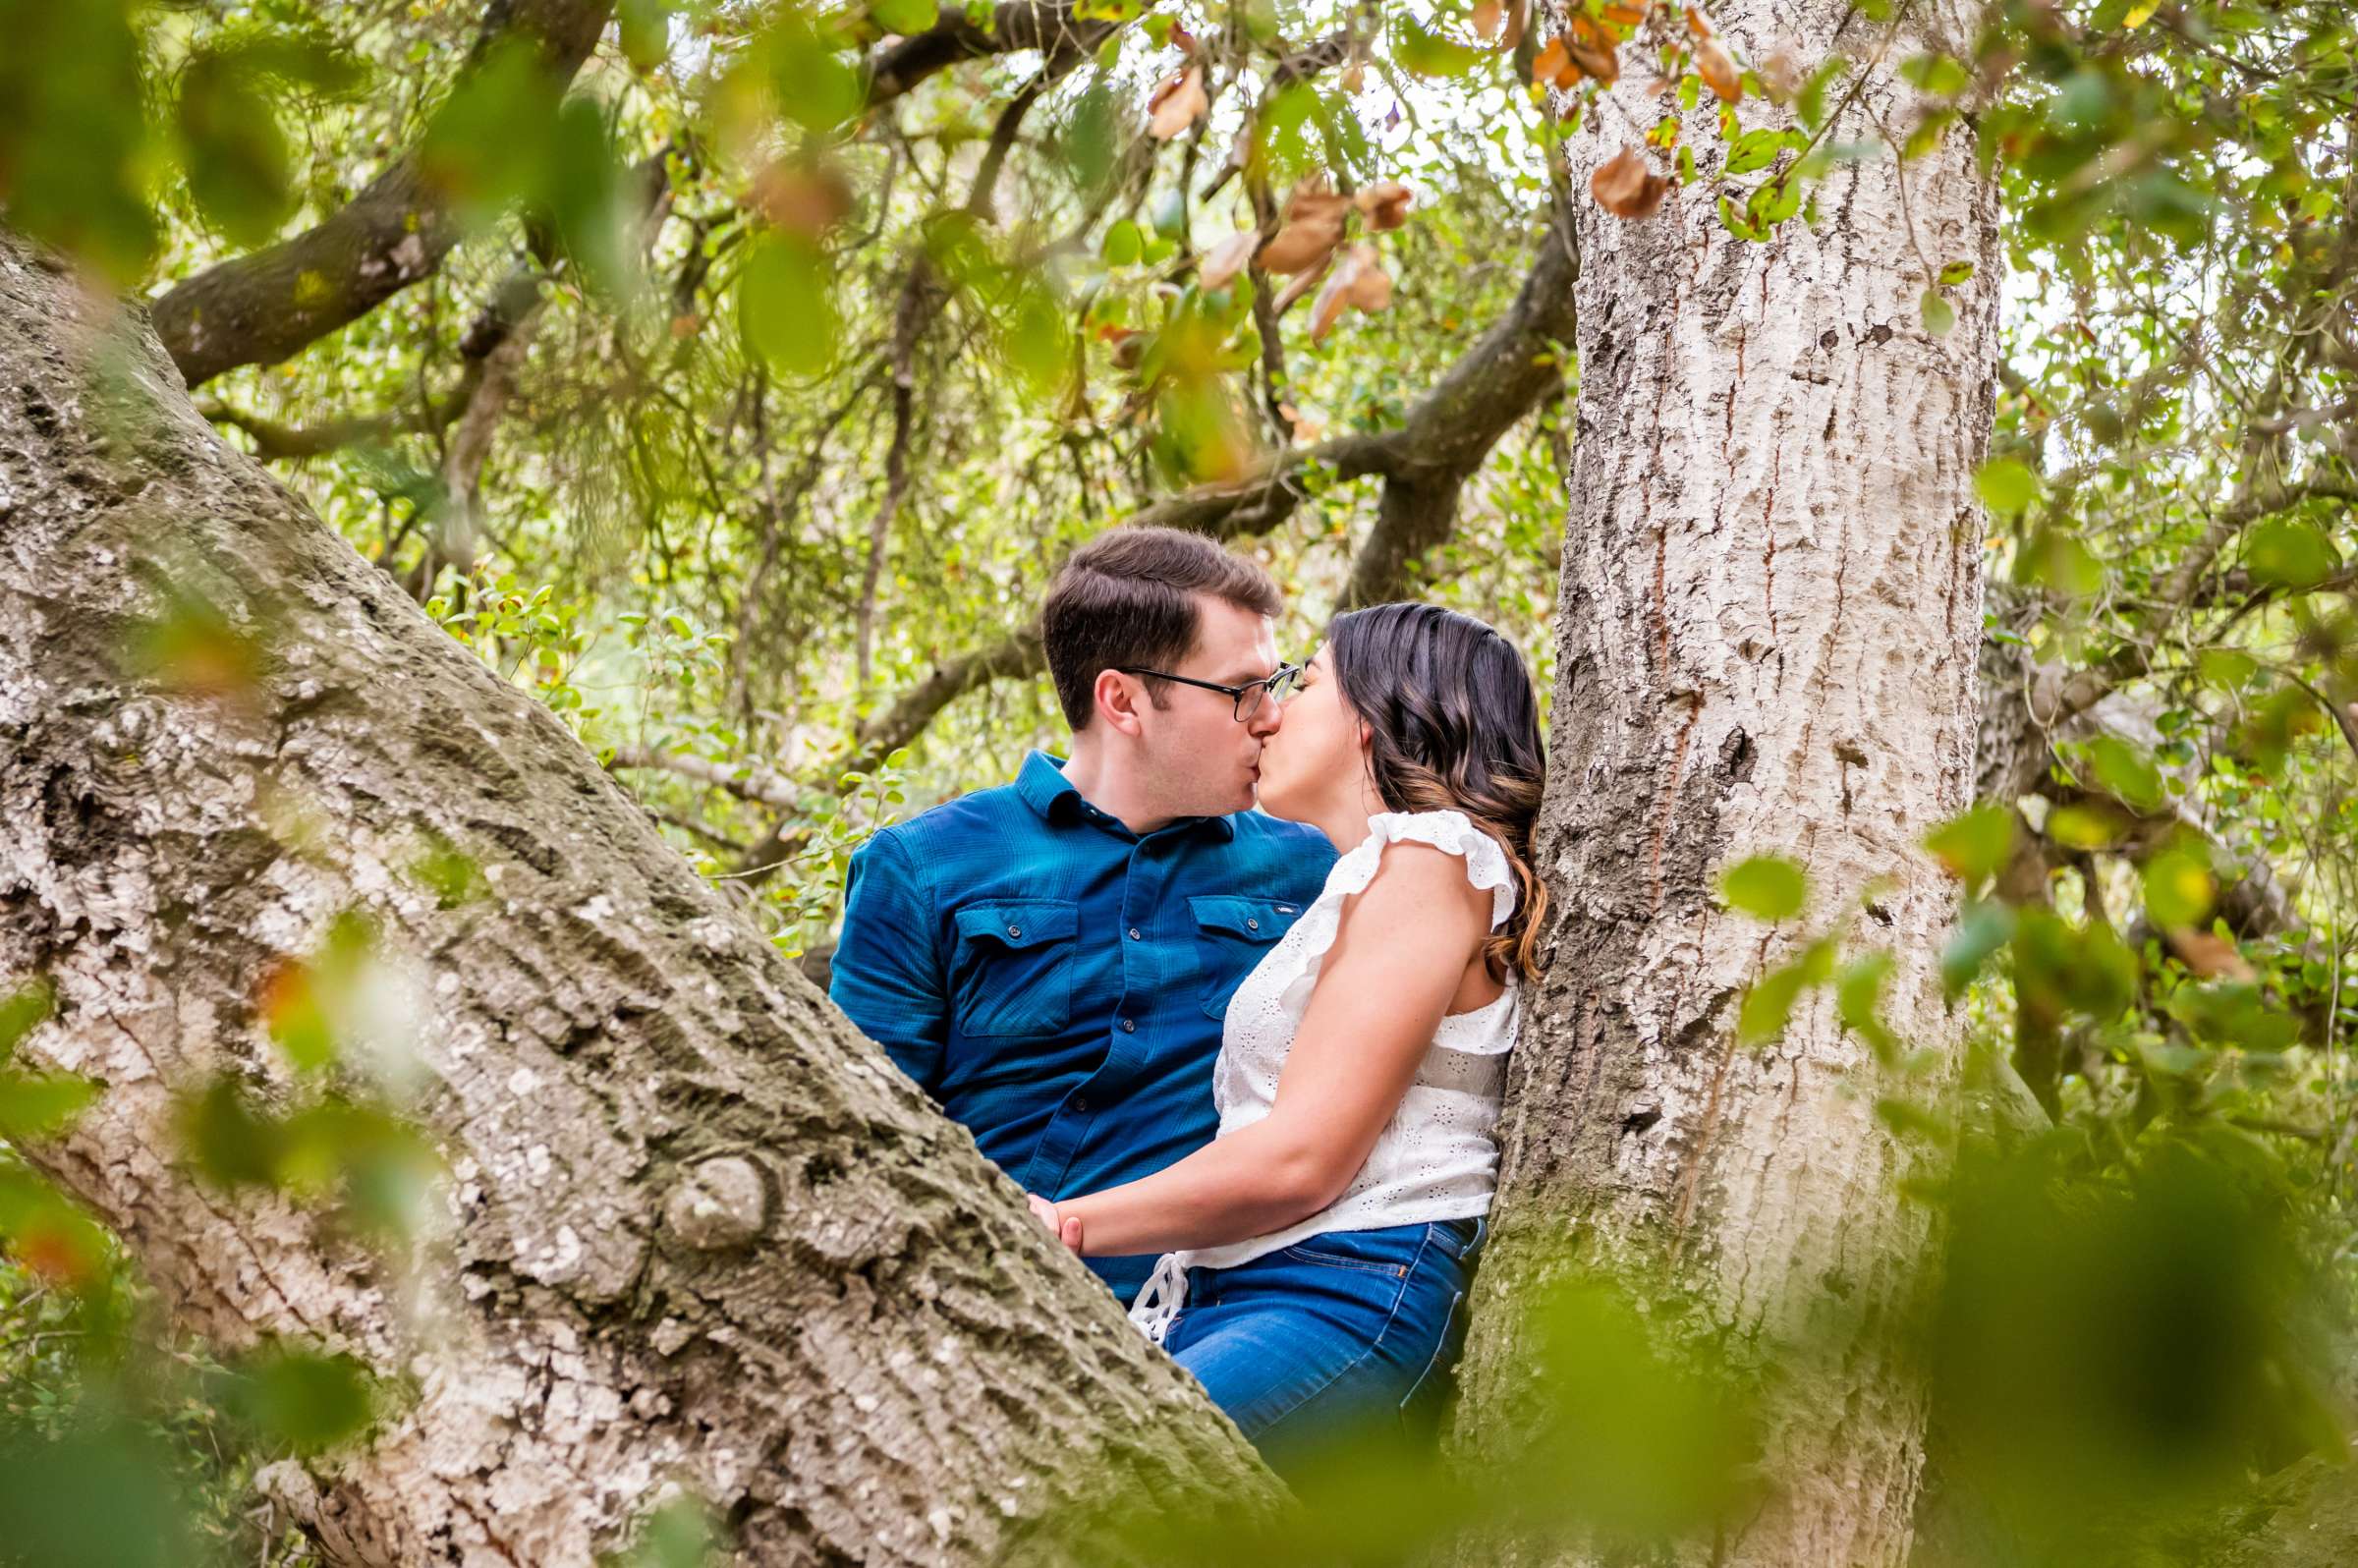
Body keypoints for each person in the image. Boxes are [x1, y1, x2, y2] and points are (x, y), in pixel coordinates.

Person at [1028, 601, 1546, 1478]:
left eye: (1300, 686)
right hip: (1235, 1294)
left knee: (1086, 1493)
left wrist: (1062, 1223)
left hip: (1345, 1288)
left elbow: (1302, 1157)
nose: (1266, 714)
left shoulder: (1432, 860)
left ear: (1376, 719)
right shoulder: (1373, 878)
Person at [829, 527, 1337, 1307]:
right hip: (992, 1310)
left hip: (1232, 1308)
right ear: (1123, 701)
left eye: (1281, 682)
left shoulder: (1312, 865)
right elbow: (861, 1134)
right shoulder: (921, 868)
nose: (1270, 718)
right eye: (1243, 691)